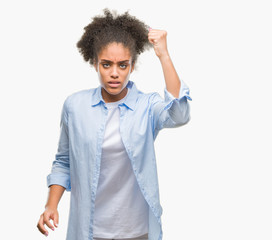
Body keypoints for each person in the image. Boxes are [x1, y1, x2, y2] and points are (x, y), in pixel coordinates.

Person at [37, 8, 192, 240]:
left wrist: (164, 56)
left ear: (132, 65)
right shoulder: (75, 106)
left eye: (123, 65)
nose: (114, 74)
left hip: (137, 231)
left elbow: (180, 115)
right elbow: (63, 161)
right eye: (106, 64)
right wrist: (51, 206)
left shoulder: (147, 106)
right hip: (88, 231)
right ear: (94, 63)